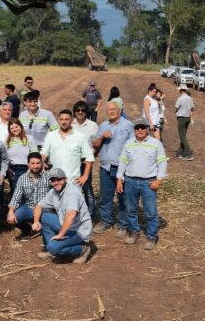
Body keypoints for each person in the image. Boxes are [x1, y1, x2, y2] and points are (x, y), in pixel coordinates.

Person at [116, 118, 168, 250]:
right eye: (137, 127)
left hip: (148, 182)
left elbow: (162, 162)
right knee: (130, 209)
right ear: (134, 129)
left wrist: (159, 180)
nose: (140, 130)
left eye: (142, 127)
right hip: (130, 181)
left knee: (150, 212)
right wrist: (119, 179)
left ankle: (151, 237)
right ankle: (134, 232)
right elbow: (123, 161)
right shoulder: (129, 143)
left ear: (147, 129)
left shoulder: (156, 143)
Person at [32, 167, 94, 264]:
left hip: (78, 230)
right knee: (44, 217)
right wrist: (36, 221)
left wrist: (60, 235)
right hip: (65, 224)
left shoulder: (73, 192)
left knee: (52, 247)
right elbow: (39, 205)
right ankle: (55, 250)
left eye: (59, 179)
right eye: (53, 180)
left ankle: (83, 249)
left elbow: (71, 215)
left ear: (65, 179)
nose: (56, 182)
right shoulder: (53, 192)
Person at [92, 101, 133, 236]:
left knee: (123, 197)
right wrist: (103, 136)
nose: (111, 111)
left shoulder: (128, 126)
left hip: (122, 168)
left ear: (119, 110)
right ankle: (106, 221)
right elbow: (96, 145)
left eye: (114, 109)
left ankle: (122, 225)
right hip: (105, 167)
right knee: (105, 196)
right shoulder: (103, 126)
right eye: (109, 109)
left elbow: (133, 146)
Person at [43, 109, 95, 215]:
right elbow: (44, 152)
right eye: (61, 119)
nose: (64, 121)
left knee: (72, 212)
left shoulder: (79, 136)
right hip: (55, 181)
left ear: (71, 120)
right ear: (58, 120)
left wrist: (85, 176)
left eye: (67, 119)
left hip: (72, 182)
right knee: (56, 210)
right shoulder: (51, 136)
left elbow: (89, 157)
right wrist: (41, 161)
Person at [6, 152, 50, 241]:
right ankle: (26, 229)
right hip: (30, 207)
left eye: (38, 163)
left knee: (49, 221)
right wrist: (10, 212)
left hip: (45, 208)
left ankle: (42, 229)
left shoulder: (48, 177)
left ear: (42, 163)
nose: (36, 166)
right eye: (33, 163)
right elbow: (16, 197)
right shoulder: (22, 178)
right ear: (28, 164)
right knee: (12, 218)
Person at [4, 118, 37, 197]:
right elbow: (5, 157)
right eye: (12, 128)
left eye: (16, 127)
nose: (14, 129)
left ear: (20, 126)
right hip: (13, 170)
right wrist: (8, 169)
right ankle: (15, 209)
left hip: (27, 169)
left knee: (28, 192)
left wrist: (31, 169)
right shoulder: (7, 140)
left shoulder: (29, 138)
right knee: (16, 193)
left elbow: (34, 154)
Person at [174, 84, 195, 160]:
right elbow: (192, 108)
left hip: (181, 118)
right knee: (183, 136)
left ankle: (188, 154)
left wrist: (175, 111)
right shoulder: (190, 98)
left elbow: (176, 107)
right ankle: (180, 151)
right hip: (187, 118)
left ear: (181, 90)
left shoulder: (180, 98)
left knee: (182, 136)